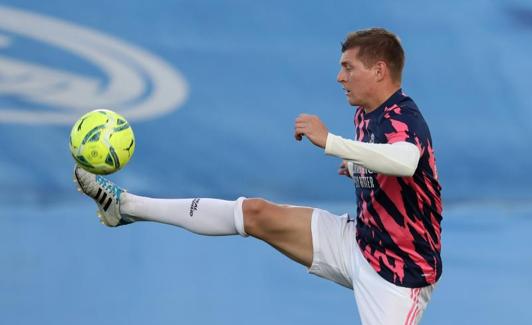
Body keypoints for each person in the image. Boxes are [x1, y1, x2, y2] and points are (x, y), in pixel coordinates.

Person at [74, 27, 442, 325]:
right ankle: (126, 206)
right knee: (255, 213)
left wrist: (332, 142)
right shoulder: (367, 113)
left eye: (349, 68)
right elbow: (392, 166)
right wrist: (359, 166)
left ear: (379, 70)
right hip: (360, 243)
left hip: (400, 276)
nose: (339, 76)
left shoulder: (403, 115)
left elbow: (406, 161)